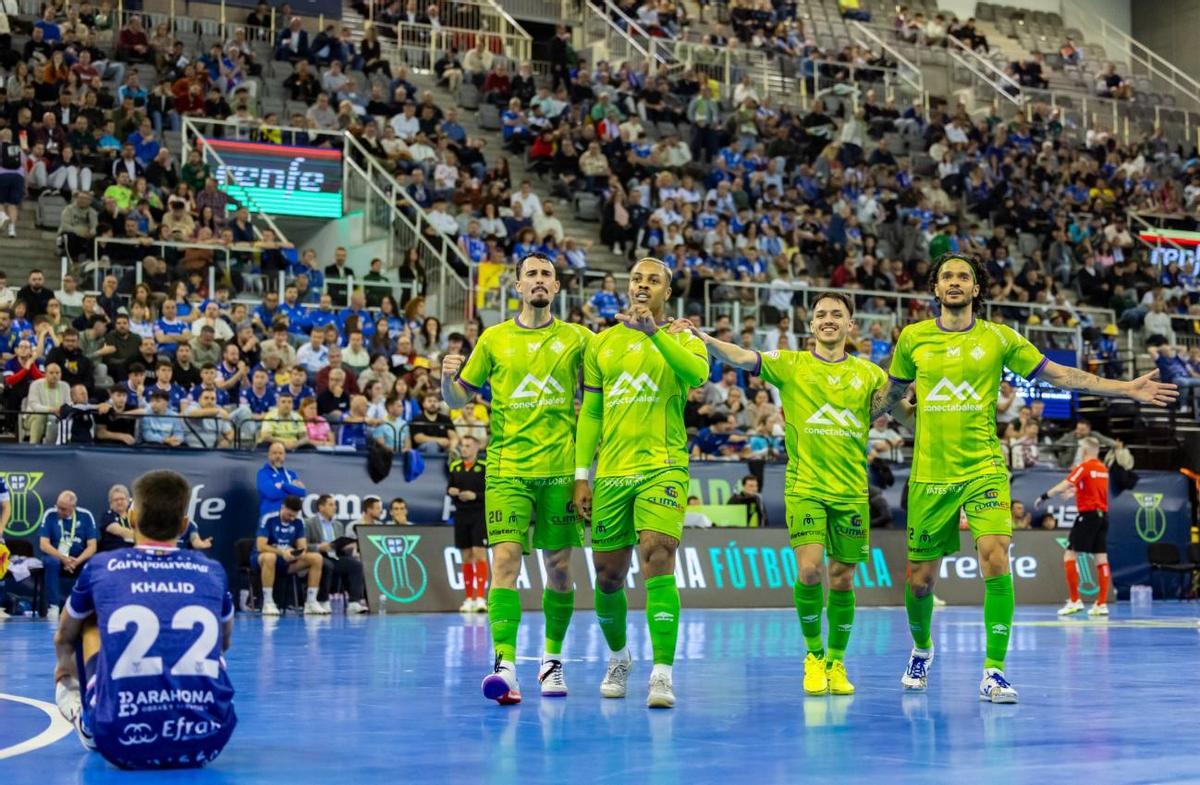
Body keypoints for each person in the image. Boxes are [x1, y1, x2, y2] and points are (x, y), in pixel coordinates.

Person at [874, 252, 1177, 703]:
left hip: (984, 468)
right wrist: (862, 413)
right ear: (935, 288)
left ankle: (993, 670)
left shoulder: (999, 337)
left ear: (976, 288)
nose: (954, 282)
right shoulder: (913, 338)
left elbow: (1061, 375)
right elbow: (892, 396)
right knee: (920, 581)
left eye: (963, 276)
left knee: (996, 559)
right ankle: (921, 650)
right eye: (946, 276)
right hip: (930, 475)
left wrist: (1124, 388)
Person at [681, 292, 886, 697]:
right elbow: (744, 358)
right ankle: (813, 655)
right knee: (809, 571)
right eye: (821, 314)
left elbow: (896, 408)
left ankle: (836, 661)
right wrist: (705, 339)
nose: (828, 319)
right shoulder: (792, 364)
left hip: (851, 491)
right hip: (805, 486)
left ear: (850, 325)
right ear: (811, 325)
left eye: (837, 314)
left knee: (843, 578)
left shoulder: (870, 374)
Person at [441, 252, 591, 704]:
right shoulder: (494, 338)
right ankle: (504, 665)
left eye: (547, 275)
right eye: (532, 274)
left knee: (559, 570)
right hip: (508, 470)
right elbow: (457, 399)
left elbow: (616, 366)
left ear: (556, 287)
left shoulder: (578, 338)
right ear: (519, 286)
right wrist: (446, 380)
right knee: (505, 562)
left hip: (560, 472)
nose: (539, 280)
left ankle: (551, 661)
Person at [574, 257, 709, 709]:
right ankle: (619, 658)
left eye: (654, 280)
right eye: (636, 279)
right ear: (627, 287)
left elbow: (697, 375)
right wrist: (581, 475)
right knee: (608, 576)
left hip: (663, 466)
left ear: (667, 292)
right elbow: (592, 413)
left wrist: (655, 334)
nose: (643, 285)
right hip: (612, 472)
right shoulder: (602, 343)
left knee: (658, 554)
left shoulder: (683, 337)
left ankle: (662, 673)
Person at [51, 470, 236, 769]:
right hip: (208, 740)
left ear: (133, 518)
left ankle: (87, 717)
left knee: (87, 619)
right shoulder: (212, 570)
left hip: (120, 741)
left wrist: (64, 672)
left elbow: (63, 635)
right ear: (184, 526)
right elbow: (224, 643)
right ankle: (192, 707)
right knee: (212, 635)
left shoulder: (102, 567)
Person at [1039, 437, 1111, 617]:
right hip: (1102, 517)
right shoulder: (1103, 469)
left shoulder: (1084, 467)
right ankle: (1101, 604)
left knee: (1069, 554)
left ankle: (1074, 600)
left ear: (1084, 451)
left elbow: (1065, 483)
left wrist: (1045, 496)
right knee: (1101, 559)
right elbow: (1092, 487)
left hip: (1087, 517)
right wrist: (1076, 491)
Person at [253, 495, 324, 616]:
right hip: (262, 559)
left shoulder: (299, 521)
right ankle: (268, 602)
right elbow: (261, 546)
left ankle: (311, 602)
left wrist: (296, 554)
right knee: (270, 557)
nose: (291, 518)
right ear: (283, 507)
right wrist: (282, 552)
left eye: (294, 516)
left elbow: (302, 547)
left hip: (287, 561)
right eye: (289, 515)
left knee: (316, 558)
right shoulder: (268, 518)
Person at [38, 490, 99, 620]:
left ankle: (87, 606)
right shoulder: (50, 514)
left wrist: (76, 561)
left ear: (73, 507)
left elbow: (92, 546)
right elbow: (43, 544)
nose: (59, 511)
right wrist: (63, 558)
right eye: (58, 507)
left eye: (63, 509)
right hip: (57, 557)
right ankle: (53, 607)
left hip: (78, 559)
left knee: (93, 562)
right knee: (51, 562)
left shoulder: (86, 516)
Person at [305, 493, 368, 614]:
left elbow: (339, 545)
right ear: (321, 507)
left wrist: (347, 546)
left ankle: (354, 603)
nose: (334, 507)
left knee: (356, 565)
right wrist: (320, 547)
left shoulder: (338, 525)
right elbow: (303, 545)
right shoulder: (309, 523)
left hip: (335, 556)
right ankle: (323, 600)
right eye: (331, 505)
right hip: (317, 556)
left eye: (334, 505)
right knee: (327, 565)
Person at [448, 434, 487, 613]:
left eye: (468, 446)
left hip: (479, 514)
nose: (464, 449)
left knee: (479, 553)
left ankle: (481, 598)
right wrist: (452, 491)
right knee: (466, 556)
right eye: (462, 445)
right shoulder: (455, 467)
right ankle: (468, 598)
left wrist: (475, 496)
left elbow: (491, 493)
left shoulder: (484, 467)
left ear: (477, 448)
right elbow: (449, 488)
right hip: (461, 514)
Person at [256, 440, 306, 519]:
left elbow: (302, 492)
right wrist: (291, 491)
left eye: (280, 453)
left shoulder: (291, 474)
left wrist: (283, 485)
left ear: (284, 455)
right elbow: (271, 494)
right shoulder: (263, 473)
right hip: (271, 515)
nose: (278, 456)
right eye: (274, 453)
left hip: (292, 516)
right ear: (269, 455)